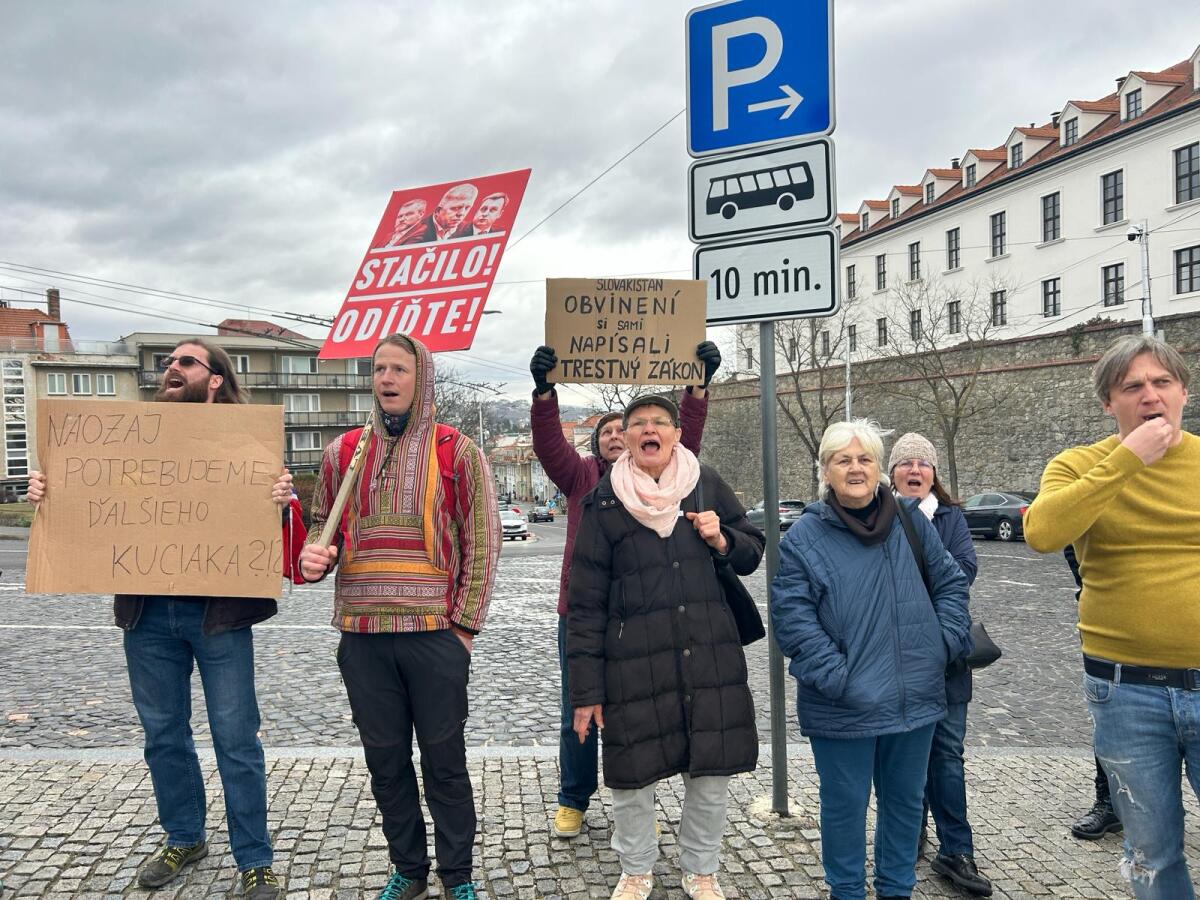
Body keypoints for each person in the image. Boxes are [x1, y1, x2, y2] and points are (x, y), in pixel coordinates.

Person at [27, 339, 305, 899]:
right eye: (167, 363)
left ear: (216, 380)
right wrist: (48, 493)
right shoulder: (133, 438)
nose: (170, 369)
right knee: (163, 736)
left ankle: (254, 859)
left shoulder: (247, 446)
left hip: (220, 616)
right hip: (147, 614)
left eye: (184, 362)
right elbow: (90, 505)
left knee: (236, 738)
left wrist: (283, 501)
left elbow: (286, 546)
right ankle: (185, 836)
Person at [298, 333, 500, 900]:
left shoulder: (455, 450)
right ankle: (408, 869)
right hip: (362, 638)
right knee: (385, 762)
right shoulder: (342, 453)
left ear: (422, 378)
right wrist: (315, 554)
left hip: (435, 637)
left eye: (399, 370)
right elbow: (322, 529)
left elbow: (482, 544)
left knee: (445, 762)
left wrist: (464, 628)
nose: (386, 378)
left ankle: (457, 875)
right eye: (379, 369)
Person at [567, 394, 763, 900]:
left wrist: (723, 540)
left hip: (708, 656)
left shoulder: (706, 484)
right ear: (625, 439)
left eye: (659, 422)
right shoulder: (603, 502)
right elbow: (585, 605)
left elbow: (752, 552)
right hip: (633, 666)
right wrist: (586, 692)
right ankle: (636, 869)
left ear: (676, 434)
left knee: (710, 772)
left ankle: (701, 869)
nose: (648, 430)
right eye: (638, 424)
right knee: (632, 775)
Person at [1025, 334, 1198, 899]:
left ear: (1183, 393)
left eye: (1162, 383)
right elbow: (1044, 533)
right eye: (1133, 387)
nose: (1150, 395)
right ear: (1109, 403)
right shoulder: (1079, 464)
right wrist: (1127, 460)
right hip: (1126, 692)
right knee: (1151, 852)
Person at [771, 419, 971, 900]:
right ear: (826, 470)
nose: (855, 468)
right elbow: (793, 620)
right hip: (844, 703)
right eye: (843, 460)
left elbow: (950, 585)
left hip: (914, 697)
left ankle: (896, 891)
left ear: (880, 468)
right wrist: (841, 679)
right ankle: (846, 892)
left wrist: (939, 647)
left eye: (864, 459)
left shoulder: (909, 519)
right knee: (844, 807)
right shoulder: (803, 537)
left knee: (903, 805)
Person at [529, 342, 722, 840]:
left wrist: (697, 389)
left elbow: (688, 439)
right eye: (608, 432)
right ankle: (574, 796)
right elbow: (550, 446)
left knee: (640, 713)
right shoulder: (582, 479)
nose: (618, 435)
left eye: (625, 428)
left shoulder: (667, 477)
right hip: (585, 611)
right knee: (581, 708)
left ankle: (637, 799)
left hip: (642, 614)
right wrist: (544, 395)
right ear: (599, 446)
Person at [888, 433, 992, 897]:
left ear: (933, 473)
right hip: (893, 656)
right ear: (891, 473)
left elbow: (963, 571)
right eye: (906, 462)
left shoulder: (950, 518)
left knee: (947, 754)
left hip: (947, 657)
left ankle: (957, 848)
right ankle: (909, 834)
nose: (915, 469)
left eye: (923, 463)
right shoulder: (877, 517)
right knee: (901, 755)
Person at [1062, 543, 1123, 841]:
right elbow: (1071, 541)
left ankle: (1167, 802)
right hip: (1110, 622)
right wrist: (1093, 583)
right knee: (1109, 715)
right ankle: (1109, 800)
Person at [402, 183, 478, 244]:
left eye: (467, 208)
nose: (461, 213)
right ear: (438, 211)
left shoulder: (468, 229)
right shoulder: (416, 233)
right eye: (455, 208)